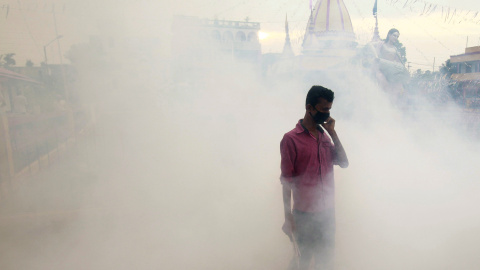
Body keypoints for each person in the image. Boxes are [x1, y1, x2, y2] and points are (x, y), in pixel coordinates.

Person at [280, 85, 349, 270]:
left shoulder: (325, 137)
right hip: (303, 216)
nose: (327, 114)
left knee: (325, 261)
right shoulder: (291, 139)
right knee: (301, 261)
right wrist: (288, 218)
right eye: (324, 109)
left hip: (326, 213)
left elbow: (344, 162)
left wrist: (333, 133)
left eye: (329, 109)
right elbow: (286, 181)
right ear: (310, 108)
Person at [372, 28, 410, 99]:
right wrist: (376, 56)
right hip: (381, 69)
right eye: (394, 35)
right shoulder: (381, 44)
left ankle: (392, 104)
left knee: (397, 87)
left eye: (397, 37)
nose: (396, 38)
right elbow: (370, 45)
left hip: (390, 71)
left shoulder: (395, 49)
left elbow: (399, 62)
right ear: (389, 35)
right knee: (382, 80)